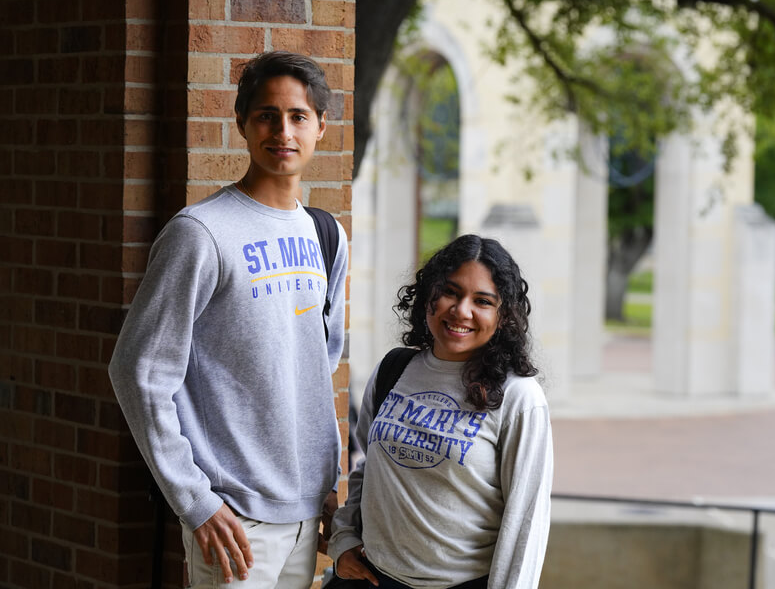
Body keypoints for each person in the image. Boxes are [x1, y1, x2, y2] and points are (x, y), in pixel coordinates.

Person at [109, 51, 347, 587]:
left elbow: (315, 365)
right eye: (266, 115)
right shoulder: (201, 233)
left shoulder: (327, 234)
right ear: (241, 122)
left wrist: (326, 484)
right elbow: (138, 371)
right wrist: (194, 500)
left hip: (308, 511)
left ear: (321, 127)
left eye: (298, 116)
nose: (282, 131)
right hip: (234, 517)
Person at [327, 235, 553, 589]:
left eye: (482, 301)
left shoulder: (518, 397)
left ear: (503, 315)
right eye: (451, 292)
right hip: (371, 578)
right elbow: (368, 470)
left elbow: (526, 521)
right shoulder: (394, 369)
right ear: (428, 294)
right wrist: (343, 540)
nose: (462, 310)